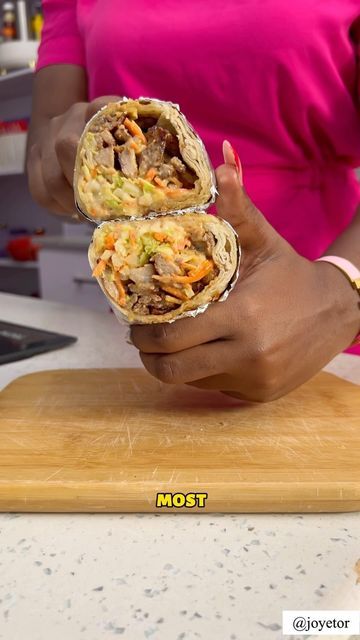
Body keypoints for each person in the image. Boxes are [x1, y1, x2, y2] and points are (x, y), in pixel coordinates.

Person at [27, 1, 360, 401]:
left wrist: (339, 292)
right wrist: (71, 159)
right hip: (139, 338)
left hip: (330, 317)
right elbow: (42, 152)